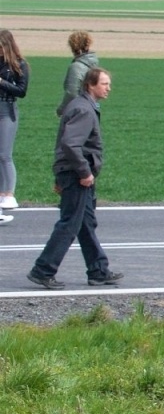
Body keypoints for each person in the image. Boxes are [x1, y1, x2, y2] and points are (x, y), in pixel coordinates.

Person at [28, 67, 121, 289]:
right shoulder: (84, 110)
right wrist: (84, 172)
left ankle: (98, 270)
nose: (108, 88)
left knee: (85, 223)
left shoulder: (82, 106)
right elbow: (70, 144)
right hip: (77, 175)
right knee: (70, 223)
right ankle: (43, 270)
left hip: (72, 173)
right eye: (104, 84)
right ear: (90, 85)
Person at [0, 29, 29, 219]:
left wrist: (1, 82)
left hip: (7, 110)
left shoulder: (20, 65)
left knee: (4, 154)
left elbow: (21, 91)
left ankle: (9, 193)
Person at [59, 31, 98, 115]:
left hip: (78, 110)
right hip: (92, 107)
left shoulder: (76, 67)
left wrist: (61, 110)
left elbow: (72, 92)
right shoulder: (93, 65)